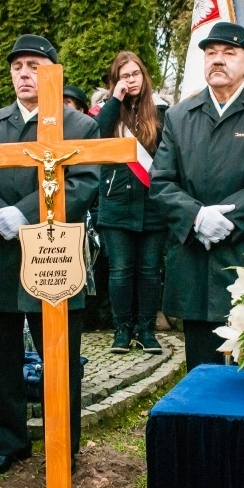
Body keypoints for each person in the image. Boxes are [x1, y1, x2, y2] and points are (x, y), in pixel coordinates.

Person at [0, 34, 99, 477]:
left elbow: (84, 183)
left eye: (34, 66)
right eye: (17, 66)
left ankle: (63, 444)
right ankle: (8, 442)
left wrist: (25, 213)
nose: (24, 74)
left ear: (52, 72)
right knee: (2, 357)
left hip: (53, 256)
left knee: (60, 358)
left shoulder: (78, 126)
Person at [150, 22, 244, 371]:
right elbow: (160, 182)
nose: (217, 60)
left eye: (228, 53)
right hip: (197, 264)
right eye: (211, 53)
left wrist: (227, 219)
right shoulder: (179, 116)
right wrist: (197, 217)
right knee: (202, 372)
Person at [94, 51, 169, 354]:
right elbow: (96, 136)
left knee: (150, 271)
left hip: (153, 204)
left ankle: (147, 330)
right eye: (124, 75)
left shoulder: (161, 110)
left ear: (144, 75)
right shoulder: (108, 110)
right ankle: (122, 330)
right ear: (116, 80)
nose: (131, 80)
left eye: (135, 74)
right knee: (121, 270)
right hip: (116, 202)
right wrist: (115, 100)